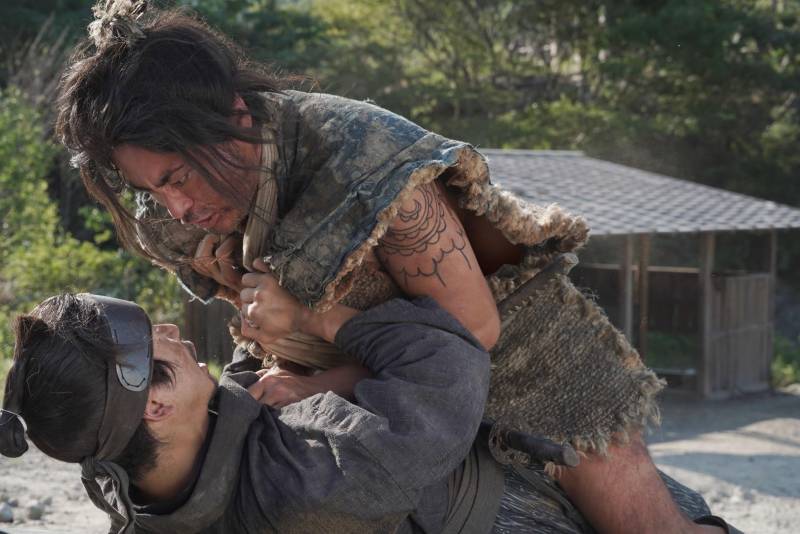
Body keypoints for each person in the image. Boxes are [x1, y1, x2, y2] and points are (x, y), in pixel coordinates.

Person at [54, 2, 737, 532]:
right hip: (364, 377)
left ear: (234, 116)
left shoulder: (362, 159)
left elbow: (471, 333)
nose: (175, 206)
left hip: (523, 361)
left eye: (177, 177)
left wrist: (321, 368)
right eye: (152, 189)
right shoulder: (181, 210)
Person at [0, 291, 731, 533]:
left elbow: (230, 419)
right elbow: (449, 365)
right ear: (156, 405)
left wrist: (269, 364)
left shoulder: (129, 474)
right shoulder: (311, 482)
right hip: (516, 510)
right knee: (605, 447)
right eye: (149, 340)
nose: (167, 329)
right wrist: (314, 319)